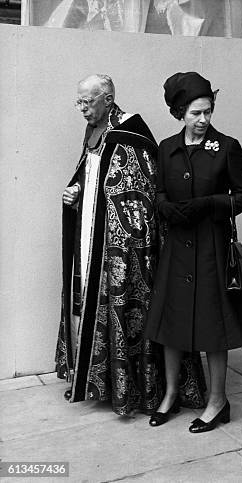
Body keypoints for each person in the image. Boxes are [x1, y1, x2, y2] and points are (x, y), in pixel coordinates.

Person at [144, 72, 242, 432]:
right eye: (196, 113)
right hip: (177, 249)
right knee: (172, 324)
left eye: (208, 111)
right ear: (180, 112)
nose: (204, 119)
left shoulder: (227, 147)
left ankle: (217, 401)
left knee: (213, 327)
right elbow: (159, 193)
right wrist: (167, 208)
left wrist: (209, 204)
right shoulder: (166, 148)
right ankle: (171, 394)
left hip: (210, 247)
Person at [57, 74, 165, 415]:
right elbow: (91, 175)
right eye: (79, 102)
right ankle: (93, 377)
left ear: (107, 100)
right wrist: (75, 191)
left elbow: (139, 194)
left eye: (86, 103)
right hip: (88, 232)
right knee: (85, 295)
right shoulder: (94, 131)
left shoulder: (129, 133)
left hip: (116, 245)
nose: (81, 109)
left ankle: (126, 386)